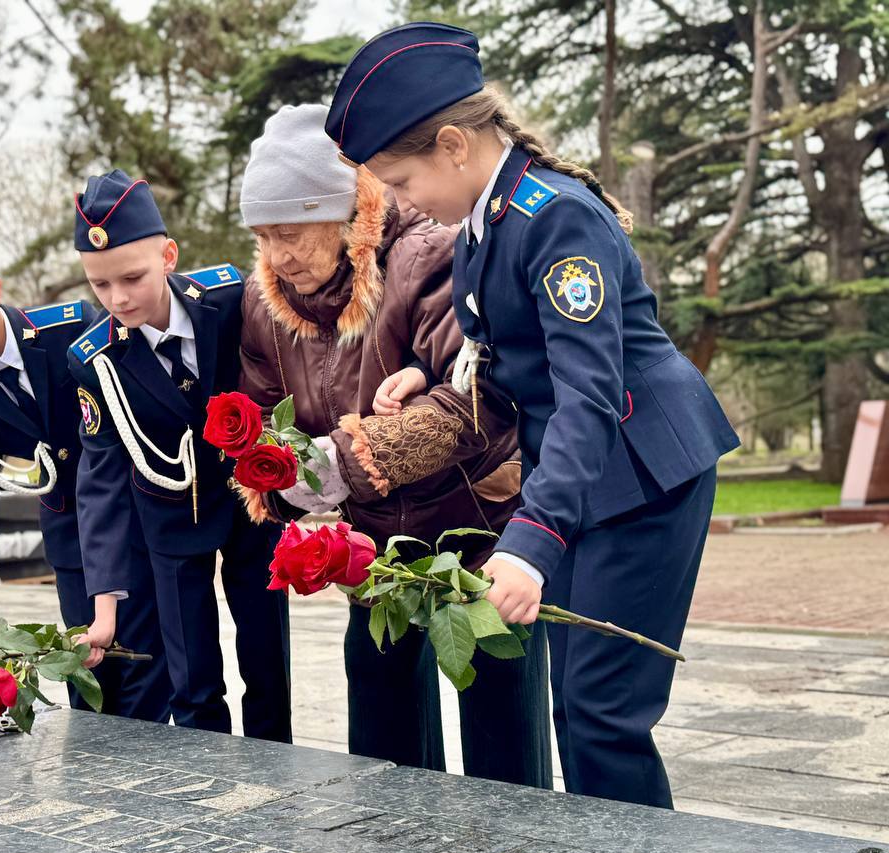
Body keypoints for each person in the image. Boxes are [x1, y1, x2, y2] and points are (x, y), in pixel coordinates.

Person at [325, 22, 741, 807]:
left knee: (602, 713)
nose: (406, 203)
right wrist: (430, 370)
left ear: (453, 145)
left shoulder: (557, 218)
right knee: (578, 706)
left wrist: (531, 541)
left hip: (641, 471)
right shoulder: (488, 221)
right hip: (590, 474)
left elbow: (588, 392)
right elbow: (515, 348)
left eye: (403, 183)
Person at [236, 103, 550, 783]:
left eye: (290, 233)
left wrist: (345, 461)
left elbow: (479, 401)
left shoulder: (431, 255)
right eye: (263, 237)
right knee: (382, 742)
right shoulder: (265, 306)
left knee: (502, 737)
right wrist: (277, 475)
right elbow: (263, 415)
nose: (277, 257)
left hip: (479, 536)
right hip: (374, 555)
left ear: (349, 211)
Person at [0, 232, 171, 721]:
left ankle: (152, 794)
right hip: (72, 550)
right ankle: (101, 791)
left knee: (148, 676)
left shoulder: (74, 329)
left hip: (136, 529)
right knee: (87, 681)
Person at [66, 171, 292, 742]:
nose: (118, 298)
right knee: (192, 680)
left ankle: (280, 780)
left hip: (249, 505)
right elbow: (100, 480)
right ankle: (207, 792)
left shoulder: (229, 298)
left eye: (133, 277)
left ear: (169, 255)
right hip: (167, 518)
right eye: (100, 285)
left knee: (267, 661)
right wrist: (105, 604)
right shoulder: (94, 360)